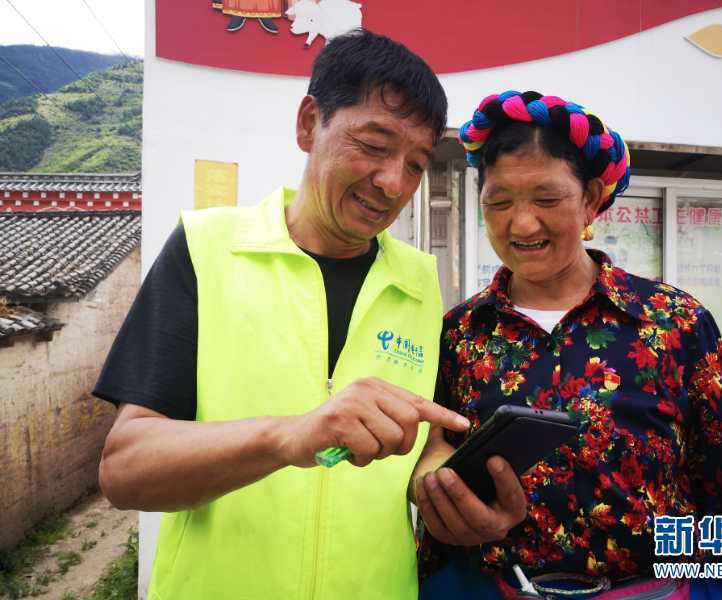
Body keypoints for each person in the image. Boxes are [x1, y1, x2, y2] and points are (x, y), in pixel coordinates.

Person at [93, 30, 477, 600]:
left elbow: (422, 445)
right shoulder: (207, 248)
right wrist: (289, 436)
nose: (393, 183)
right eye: (373, 145)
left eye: (417, 165)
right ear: (308, 123)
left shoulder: (420, 281)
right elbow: (124, 471)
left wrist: (440, 487)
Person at [412, 90, 722, 599]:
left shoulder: (675, 322)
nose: (522, 223)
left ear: (590, 199)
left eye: (547, 199)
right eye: (499, 202)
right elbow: (436, 471)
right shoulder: (460, 333)